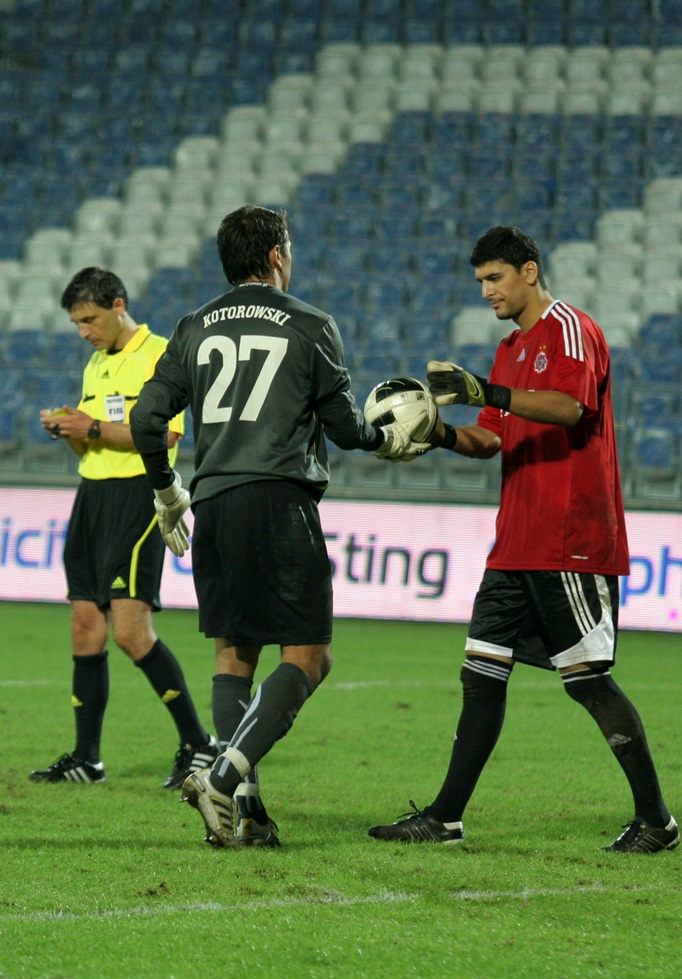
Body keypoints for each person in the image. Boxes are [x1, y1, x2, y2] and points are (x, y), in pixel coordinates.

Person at [369, 225, 678, 855]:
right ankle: (446, 817)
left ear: (529, 271)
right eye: (480, 281)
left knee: (588, 680)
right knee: (480, 674)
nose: (486, 291)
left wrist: (490, 392)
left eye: (495, 278)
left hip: (569, 538)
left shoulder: (571, 329)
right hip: (515, 541)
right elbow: (489, 439)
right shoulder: (509, 350)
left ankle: (657, 822)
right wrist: (434, 431)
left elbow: (570, 408)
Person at [129, 205, 426, 848]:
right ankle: (222, 774)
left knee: (235, 654)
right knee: (309, 657)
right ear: (274, 257)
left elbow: (148, 419)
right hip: (280, 504)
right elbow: (347, 430)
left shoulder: (192, 326)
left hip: (213, 502)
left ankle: (249, 815)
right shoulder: (311, 325)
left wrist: (165, 490)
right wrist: (390, 437)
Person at [32, 267, 218, 789]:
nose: (83, 331)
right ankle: (87, 758)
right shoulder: (97, 363)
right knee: (85, 627)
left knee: (131, 633)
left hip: (139, 497)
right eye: (76, 323)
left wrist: (88, 426)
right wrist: (69, 429)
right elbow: (93, 441)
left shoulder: (159, 354)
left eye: (89, 319)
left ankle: (199, 744)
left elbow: (166, 431)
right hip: (91, 496)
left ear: (118, 305)